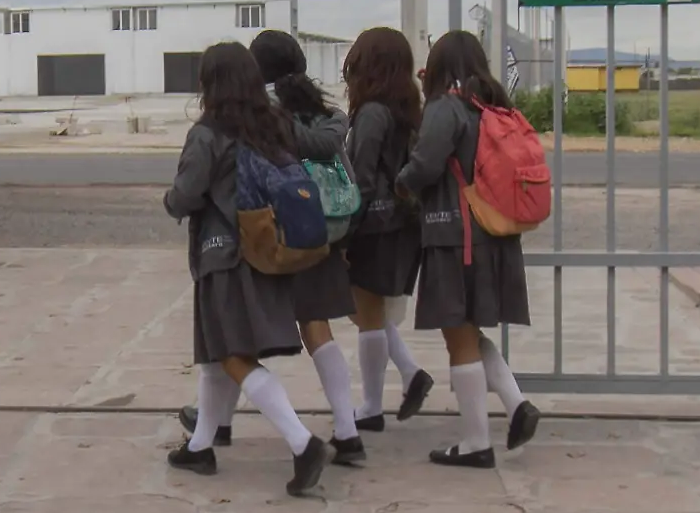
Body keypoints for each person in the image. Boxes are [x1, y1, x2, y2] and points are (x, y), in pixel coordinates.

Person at [176, 31, 366, 465]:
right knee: (246, 343)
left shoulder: (220, 128)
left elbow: (188, 191)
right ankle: (205, 441)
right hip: (301, 233)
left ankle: (288, 440)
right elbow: (321, 145)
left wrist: (173, 203)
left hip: (244, 246)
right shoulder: (277, 118)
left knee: (229, 346)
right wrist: (338, 117)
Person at [397, 30, 540, 468]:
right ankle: (516, 403)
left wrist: (402, 183)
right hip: (494, 234)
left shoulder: (447, 108)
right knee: (471, 332)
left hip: (454, 236)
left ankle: (477, 442)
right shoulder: (497, 107)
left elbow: (425, 165)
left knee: (458, 335)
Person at [340, 27, 435, 431]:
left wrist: (346, 232)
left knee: (366, 313)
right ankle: (411, 374)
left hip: (374, 225)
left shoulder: (371, 113)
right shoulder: (409, 109)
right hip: (402, 223)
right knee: (372, 312)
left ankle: (372, 406)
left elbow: (360, 178)